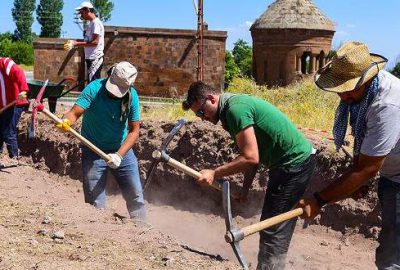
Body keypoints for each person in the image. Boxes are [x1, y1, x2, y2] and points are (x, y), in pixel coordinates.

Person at [182, 81, 316, 270]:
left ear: (211, 99)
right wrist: (245, 189)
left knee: (272, 227)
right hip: (288, 164)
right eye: (198, 115)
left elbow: (250, 157)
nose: (202, 118)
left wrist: (214, 172)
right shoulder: (230, 111)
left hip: (294, 164)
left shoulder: (235, 110)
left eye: (202, 112)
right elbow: (253, 156)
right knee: (275, 223)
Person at [298, 41, 400, 269]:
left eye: (348, 88)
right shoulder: (361, 98)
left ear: (368, 78)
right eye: (339, 89)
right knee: (391, 246)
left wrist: (319, 200)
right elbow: (366, 153)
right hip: (392, 173)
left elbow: (366, 169)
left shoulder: (387, 105)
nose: (343, 95)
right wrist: (355, 185)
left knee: (392, 257)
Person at [56, 61, 146, 221]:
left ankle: (143, 229)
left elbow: (134, 131)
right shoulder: (94, 88)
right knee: (95, 202)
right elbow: (74, 113)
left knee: (135, 195)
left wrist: (119, 155)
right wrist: (67, 121)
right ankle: (98, 232)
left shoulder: (132, 96)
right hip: (93, 151)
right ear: (111, 76)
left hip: (121, 150)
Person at [64, 1, 104, 83]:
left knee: (93, 84)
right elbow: (89, 41)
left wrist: (76, 43)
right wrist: (75, 42)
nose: (80, 15)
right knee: (91, 82)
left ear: (87, 10)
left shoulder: (96, 23)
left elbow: (95, 42)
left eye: (81, 13)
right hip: (91, 58)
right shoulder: (91, 24)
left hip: (95, 58)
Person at [0, 57, 28, 161]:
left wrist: (23, 89)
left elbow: (18, 72)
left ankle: (14, 159)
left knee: (8, 131)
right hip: (3, 106)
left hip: (16, 103)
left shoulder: (4, 62)